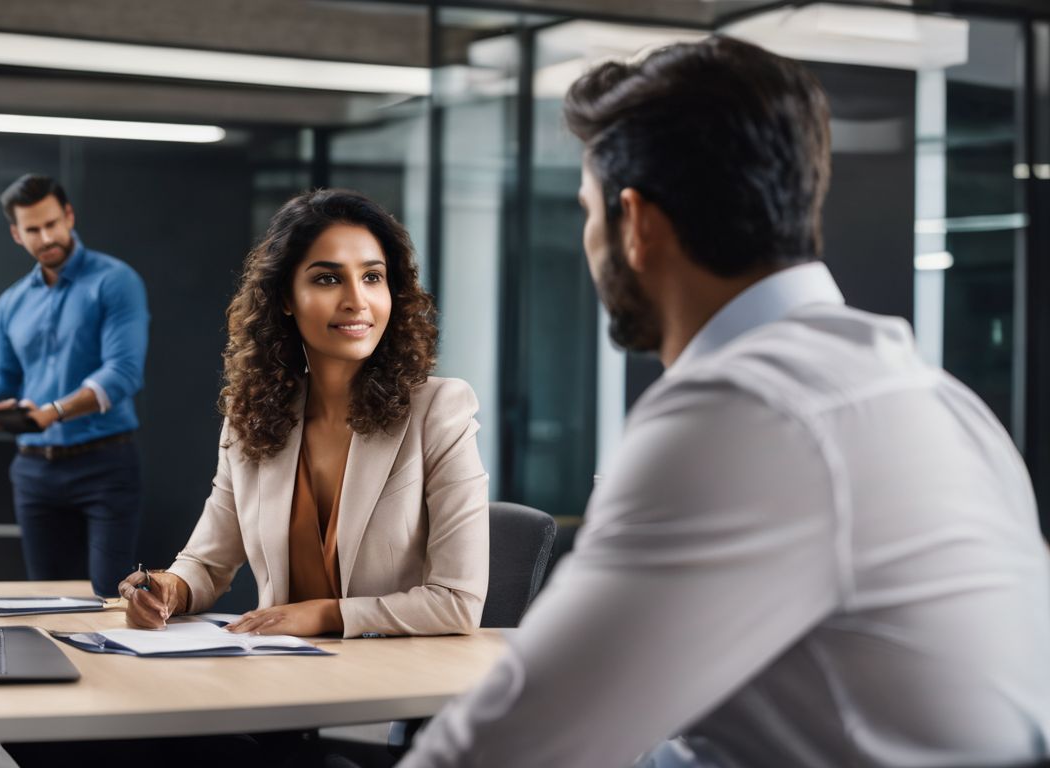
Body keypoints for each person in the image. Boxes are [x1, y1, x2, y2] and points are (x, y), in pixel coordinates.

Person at [402, 37, 1050, 768]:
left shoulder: (744, 413)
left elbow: (512, 746)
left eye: (588, 212)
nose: (589, 241)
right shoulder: (939, 399)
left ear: (636, 225)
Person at [119, 188, 489, 640]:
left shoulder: (439, 411)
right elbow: (207, 564)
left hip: (393, 681)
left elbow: (458, 602)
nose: (357, 300)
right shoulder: (251, 418)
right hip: (282, 674)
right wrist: (166, 590)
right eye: (328, 279)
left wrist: (327, 615)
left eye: (372, 278)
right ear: (286, 298)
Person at [0, 174, 149, 598]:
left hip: (105, 466)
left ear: (68, 215)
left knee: (112, 596)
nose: (46, 237)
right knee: (48, 600)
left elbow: (122, 373)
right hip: (33, 471)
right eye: (33, 229)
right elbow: (3, 377)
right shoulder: (10, 303)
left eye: (52, 223)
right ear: (16, 234)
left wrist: (53, 411)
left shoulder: (115, 281)